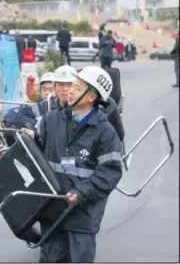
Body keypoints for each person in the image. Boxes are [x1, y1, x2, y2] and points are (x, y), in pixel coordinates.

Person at [21, 66, 123, 263]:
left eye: (76, 87)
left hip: (82, 215)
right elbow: (37, 150)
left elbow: (110, 172)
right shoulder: (50, 120)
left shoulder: (106, 132)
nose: (69, 90)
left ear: (91, 96)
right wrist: (31, 137)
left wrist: (82, 191)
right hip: (51, 209)